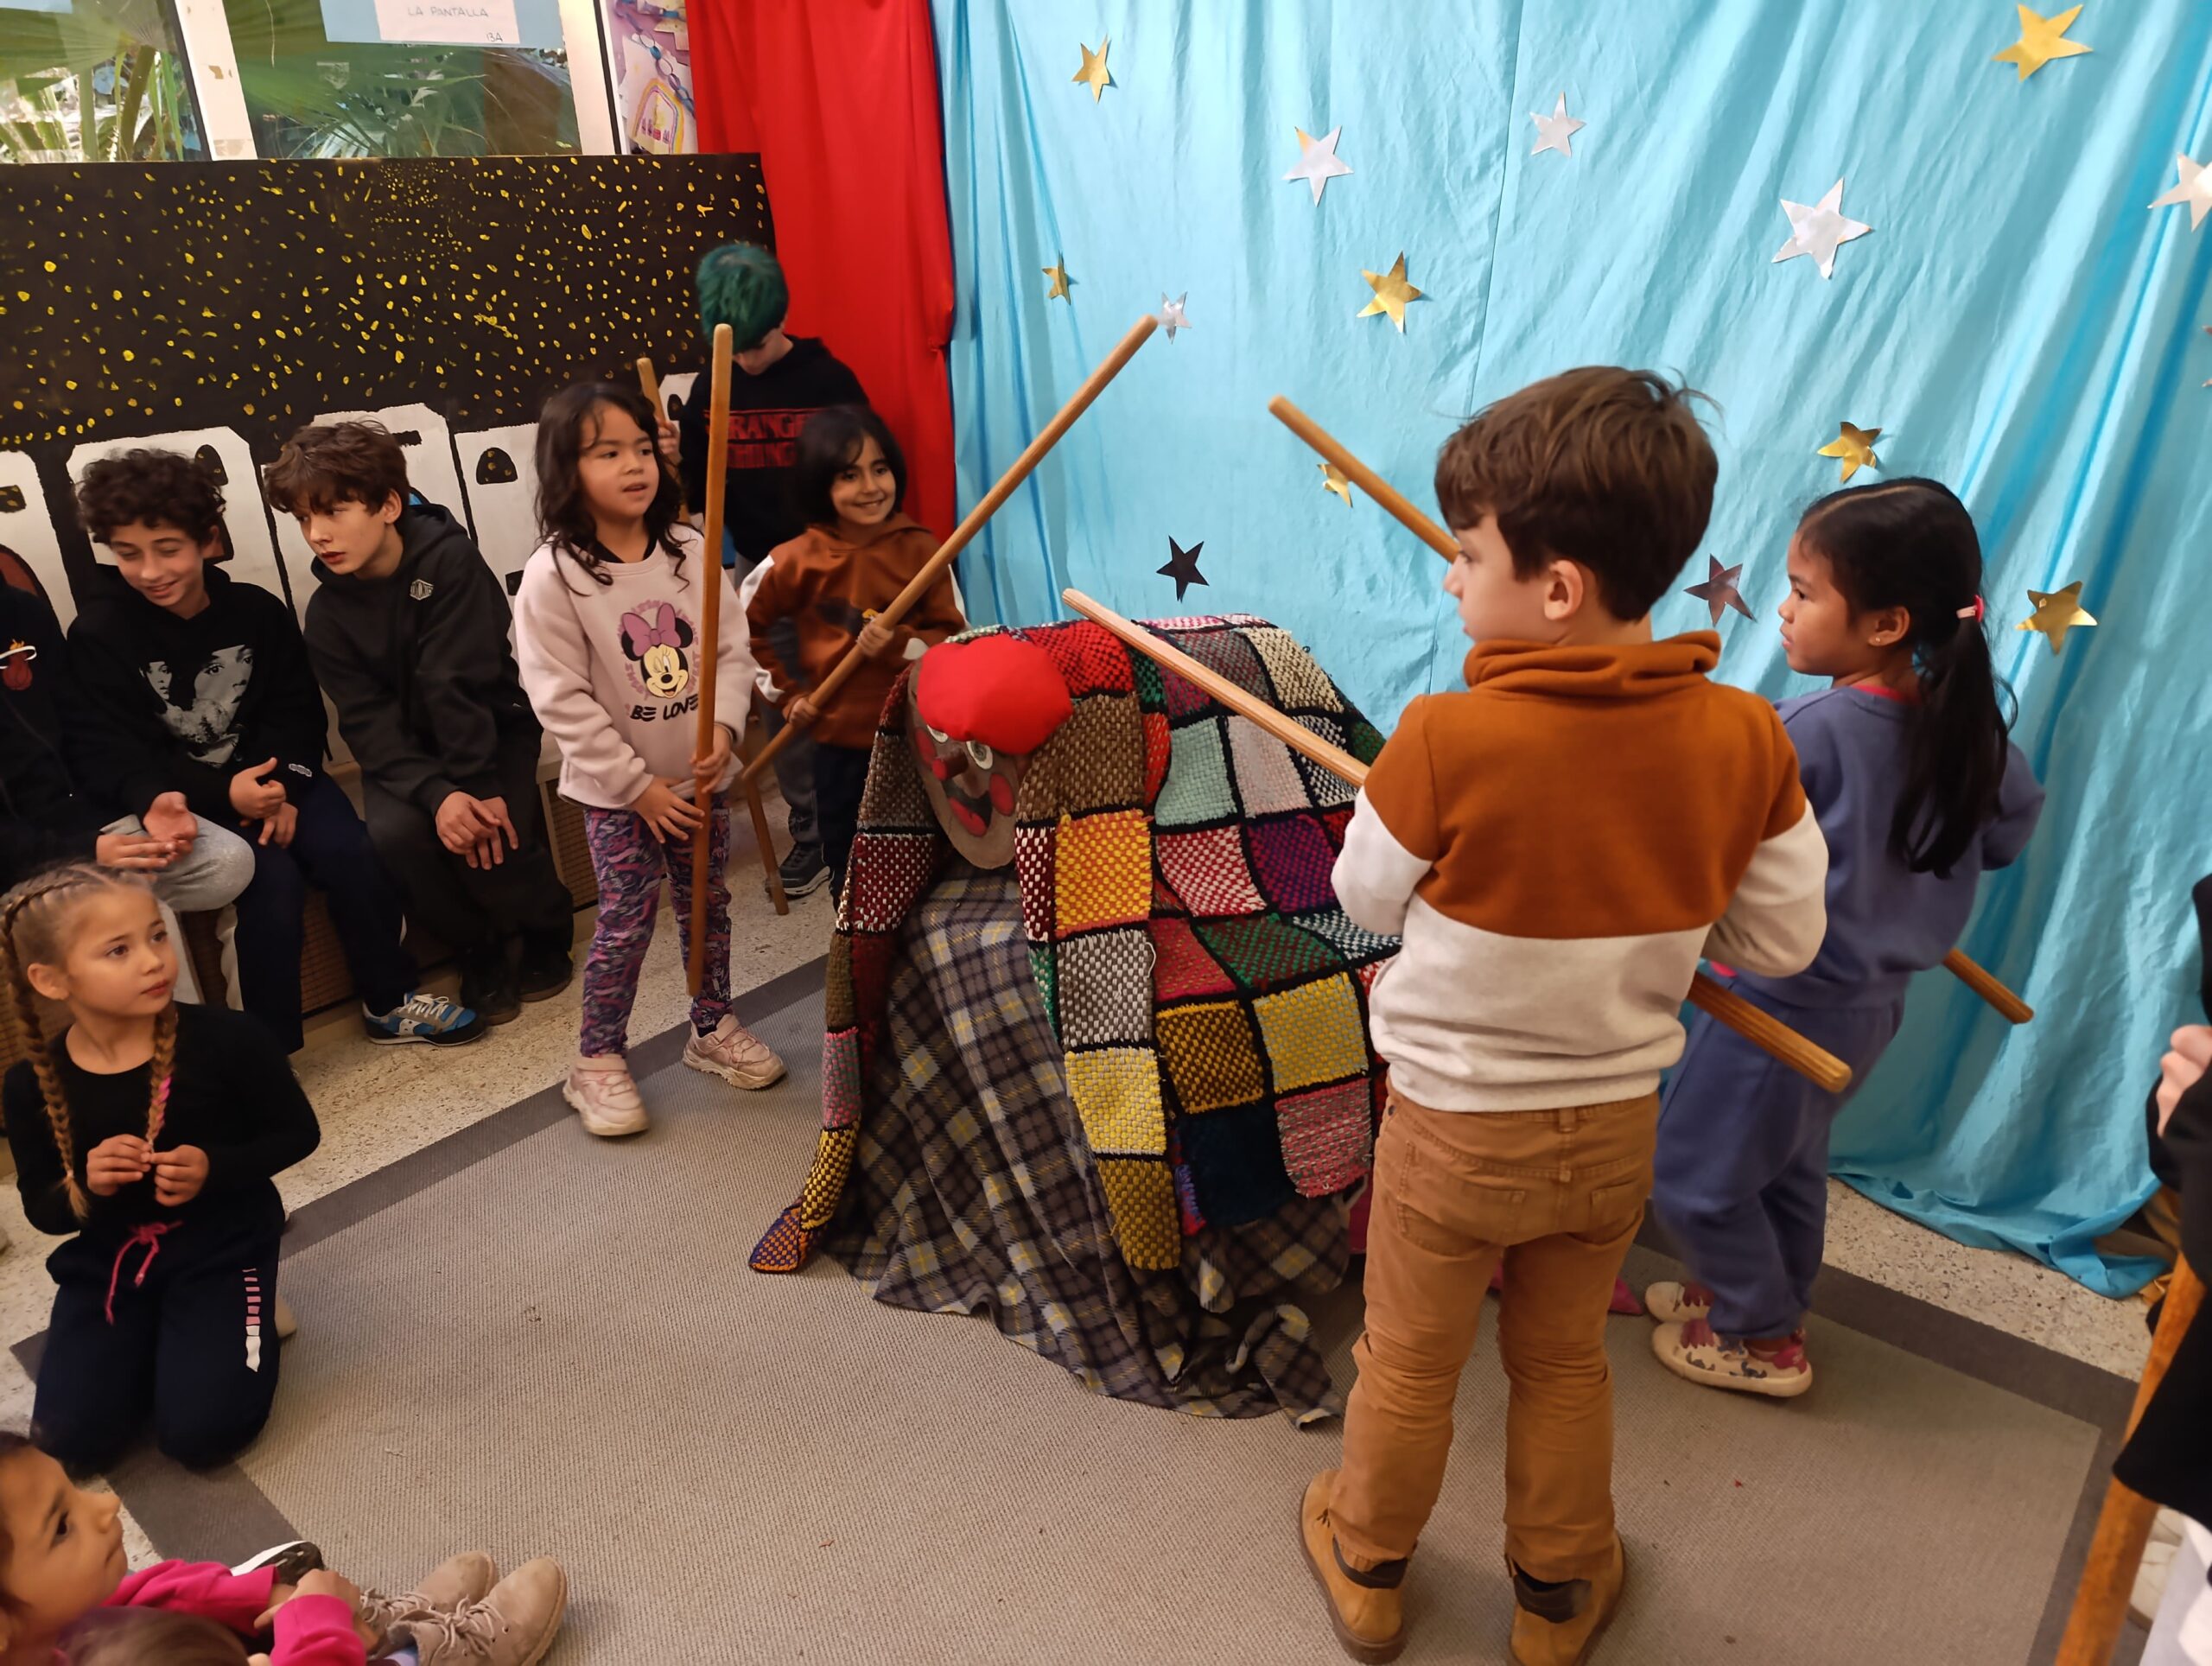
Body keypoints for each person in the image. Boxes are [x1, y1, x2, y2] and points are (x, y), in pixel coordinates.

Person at [1298, 368, 1830, 1666]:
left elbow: (1361, 898)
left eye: (1466, 553)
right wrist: (1664, 898)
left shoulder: (1443, 736)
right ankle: (1556, 1594)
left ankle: (1367, 1566)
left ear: (1556, 590)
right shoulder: (1747, 739)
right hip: (1607, 1133)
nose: (1449, 578)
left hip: (1449, 1131)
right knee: (1562, 1365)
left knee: (1408, 1362)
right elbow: (1780, 942)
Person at [1643, 479, 2044, 1400]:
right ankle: (1760, 1295)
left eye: (1803, 591)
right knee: (1783, 1163)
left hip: (1778, 999)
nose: (1782, 610)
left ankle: (1756, 1333)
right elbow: (2006, 833)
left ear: (1887, 623)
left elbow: (1706, 835)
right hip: (1867, 1008)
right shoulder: (1968, 732)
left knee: (1693, 1174)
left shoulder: (1803, 730)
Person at [66, 448, 481, 1053]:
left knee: (351, 849)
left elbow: (298, 716)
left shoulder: (257, 611)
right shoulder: (98, 634)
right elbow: (112, 751)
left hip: (279, 781)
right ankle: (265, 1050)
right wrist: (223, 796)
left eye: (167, 549)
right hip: (192, 803)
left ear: (207, 540)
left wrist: (282, 786)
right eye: (128, 554)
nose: (150, 570)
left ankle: (391, 1001)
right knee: (270, 881)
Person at [512, 383, 786, 1138]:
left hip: (700, 781)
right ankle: (596, 1058)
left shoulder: (689, 549)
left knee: (709, 905)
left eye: (642, 448)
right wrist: (638, 789)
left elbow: (730, 650)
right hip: (618, 794)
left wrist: (724, 730)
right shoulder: (554, 575)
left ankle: (711, 1024)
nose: (634, 465)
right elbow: (561, 699)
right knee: (627, 920)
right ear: (567, 468)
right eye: (608, 453)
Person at [1, 866, 316, 1472]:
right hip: (114, 1262)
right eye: (118, 950)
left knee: (202, 1434)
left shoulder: (230, 1039)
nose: (153, 961)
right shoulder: (30, 1085)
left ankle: (243, 1304)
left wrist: (214, 1167)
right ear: (51, 979)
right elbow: (43, 1210)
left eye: (156, 936)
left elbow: (298, 1133)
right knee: (68, 1443)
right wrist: (86, 1185)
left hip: (223, 1244)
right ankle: (167, 1333)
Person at [269, 422, 576, 1026]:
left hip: (489, 731)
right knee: (395, 836)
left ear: (387, 505)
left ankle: (545, 929)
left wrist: (471, 786)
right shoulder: (326, 614)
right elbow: (366, 721)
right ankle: (478, 950)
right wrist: (438, 795)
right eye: (304, 518)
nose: (317, 533)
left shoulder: (450, 559)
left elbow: (456, 681)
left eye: (332, 511)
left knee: (492, 828)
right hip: (407, 755)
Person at [0, 1431, 569, 1666]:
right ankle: (412, 1656)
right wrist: (315, 1621)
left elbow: (139, 1596)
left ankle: (363, 1630)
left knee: (175, 1610)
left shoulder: (39, 1637)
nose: (106, 1505)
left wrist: (262, 1595)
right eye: (61, 1526)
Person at [673, 241, 868, 902]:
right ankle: (810, 829)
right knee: (780, 698)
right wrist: (672, 457)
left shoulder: (828, 382)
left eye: (756, 345)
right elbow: (695, 483)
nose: (747, 359)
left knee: (849, 692)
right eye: (736, 347)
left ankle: (867, 822)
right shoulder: (714, 381)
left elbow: (868, 473)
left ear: (779, 319)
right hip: (761, 570)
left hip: (834, 563)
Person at [743, 405, 964, 904]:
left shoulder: (921, 551)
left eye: (879, 468)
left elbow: (955, 642)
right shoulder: (794, 561)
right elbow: (744, 633)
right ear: (820, 483)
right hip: (841, 749)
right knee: (852, 866)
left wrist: (900, 645)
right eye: (849, 475)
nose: (870, 487)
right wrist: (789, 696)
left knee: (932, 859)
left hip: (919, 740)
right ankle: (856, 945)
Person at [3, 577, 253, 1004]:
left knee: (230, 861)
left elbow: (87, 729)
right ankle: (170, 1039)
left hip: (85, 821)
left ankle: (222, 1034)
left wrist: (147, 797)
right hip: (18, 858)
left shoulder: (22, 611)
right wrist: (85, 852)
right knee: (125, 898)